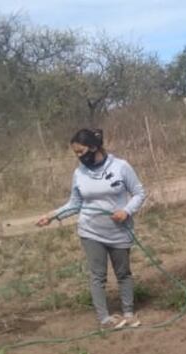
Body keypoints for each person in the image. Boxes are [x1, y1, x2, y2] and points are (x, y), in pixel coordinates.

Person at [37, 128, 147, 329]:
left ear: (94, 147)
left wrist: (127, 211)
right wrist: (51, 216)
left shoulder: (121, 167)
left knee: (123, 273)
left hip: (119, 230)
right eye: (75, 153)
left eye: (81, 152)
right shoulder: (79, 173)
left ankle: (129, 312)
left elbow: (139, 193)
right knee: (98, 275)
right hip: (90, 231)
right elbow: (74, 204)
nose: (79, 157)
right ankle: (104, 319)